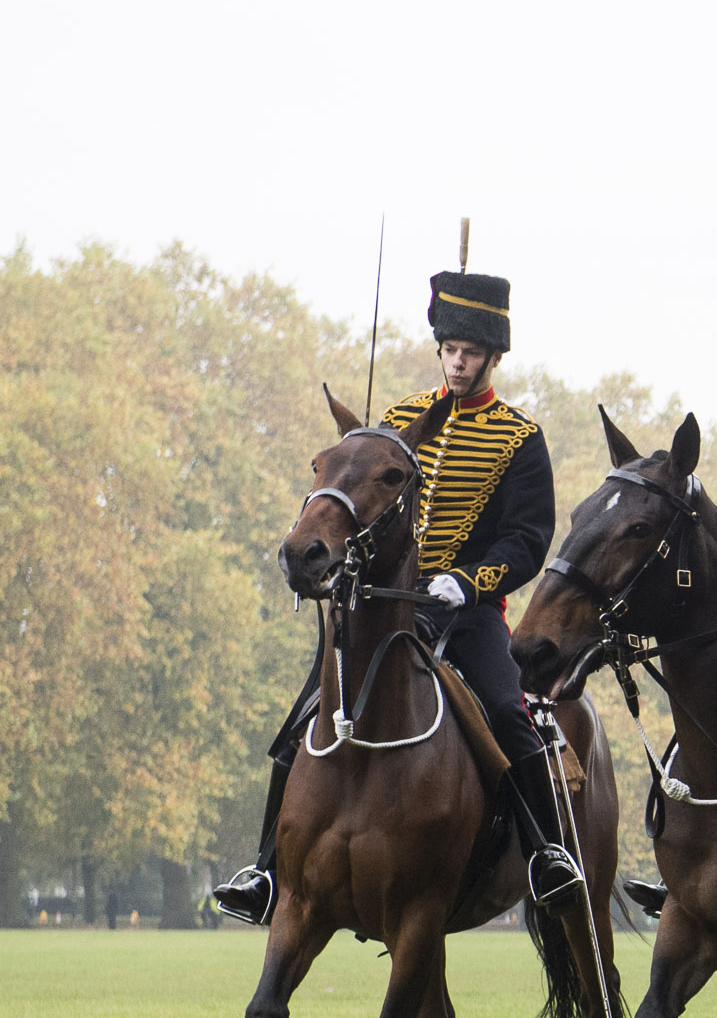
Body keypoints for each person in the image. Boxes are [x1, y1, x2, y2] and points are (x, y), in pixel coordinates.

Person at [213, 265, 581, 925]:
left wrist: (466, 581)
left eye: (470, 351)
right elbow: (359, 503)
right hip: (385, 604)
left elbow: (529, 540)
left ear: (493, 356)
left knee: (505, 709)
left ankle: (545, 855)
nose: (458, 361)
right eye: (450, 349)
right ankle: (266, 870)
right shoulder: (398, 421)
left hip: (466, 614)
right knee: (304, 720)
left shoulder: (519, 437)